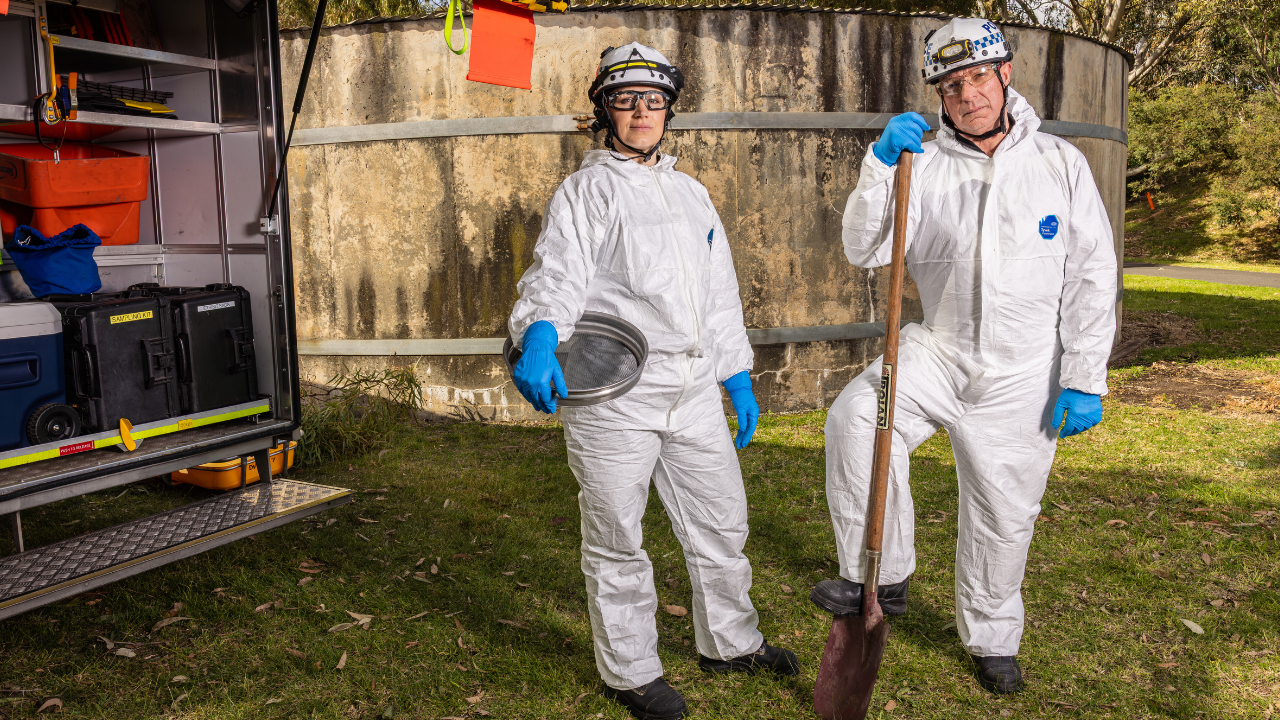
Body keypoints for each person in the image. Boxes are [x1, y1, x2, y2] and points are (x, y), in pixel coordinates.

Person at [811, 17, 1117, 694]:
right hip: (937, 354)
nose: (966, 94)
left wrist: (1084, 376)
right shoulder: (922, 163)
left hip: (1025, 372)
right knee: (858, 420)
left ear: (1005, 74)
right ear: (939, 96)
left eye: (977, 76)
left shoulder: (1059, 165)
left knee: (1004, 514)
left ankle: (991, 637)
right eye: (950, 85)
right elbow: (866, 248)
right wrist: (881, 166)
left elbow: (1093, 275)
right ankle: (883, 577)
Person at [508, 42, 798, 720]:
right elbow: (557, 272)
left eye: (653, 99)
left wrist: (737, 376)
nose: (641, 111)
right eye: (625, 99)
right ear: (604, 110)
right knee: (616, 533)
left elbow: (719, 294)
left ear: (670, 109)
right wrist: (542, 332)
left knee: (722, 522)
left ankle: (730, 642)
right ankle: (631, 670)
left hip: (693, 386)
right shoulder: (586, 191)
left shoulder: (692, 194)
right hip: (617, 393)